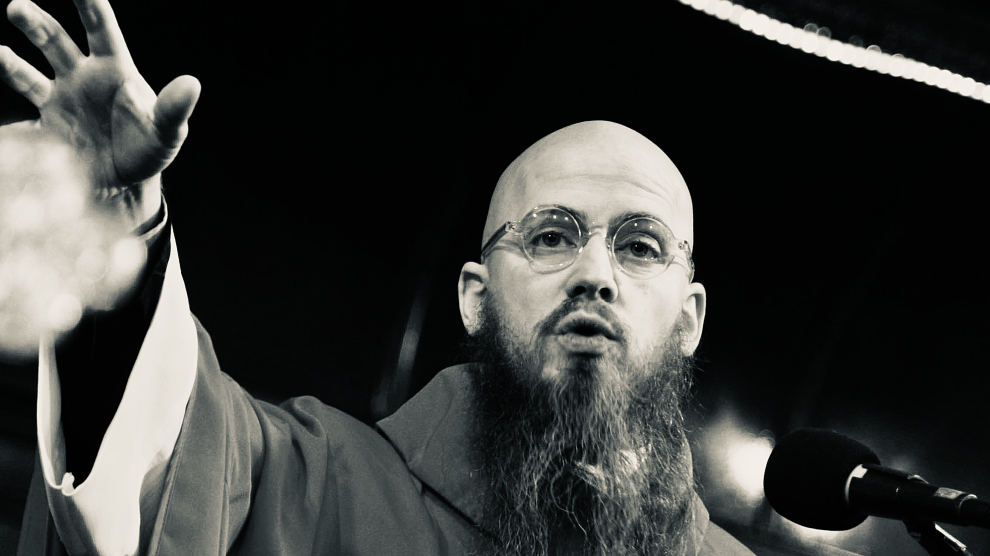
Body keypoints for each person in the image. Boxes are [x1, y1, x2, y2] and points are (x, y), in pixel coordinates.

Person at [2, 0, 755, 554]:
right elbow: (168, 464)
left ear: (689, 318)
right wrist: (119, 219)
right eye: (551, 237)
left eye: (641, 246)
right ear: (475, 297)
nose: (594, 273)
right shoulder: (317, 483)